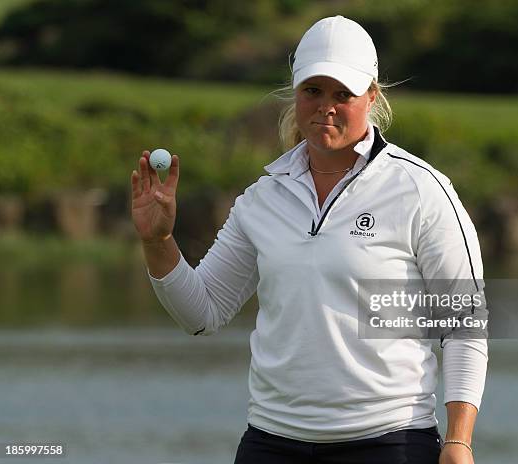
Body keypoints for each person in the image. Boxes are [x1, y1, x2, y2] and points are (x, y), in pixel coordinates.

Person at [131, 15, 488, 464]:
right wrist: (158, 240)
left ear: (372, 96)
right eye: (313, 91)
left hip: (389, 443)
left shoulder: (421, 190)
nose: (327, 106)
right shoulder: (263, 197)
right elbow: (202, 313)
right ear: (295, 92)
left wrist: (458, 441)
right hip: (271, 442)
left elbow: (463, 325)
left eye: (343, 94)